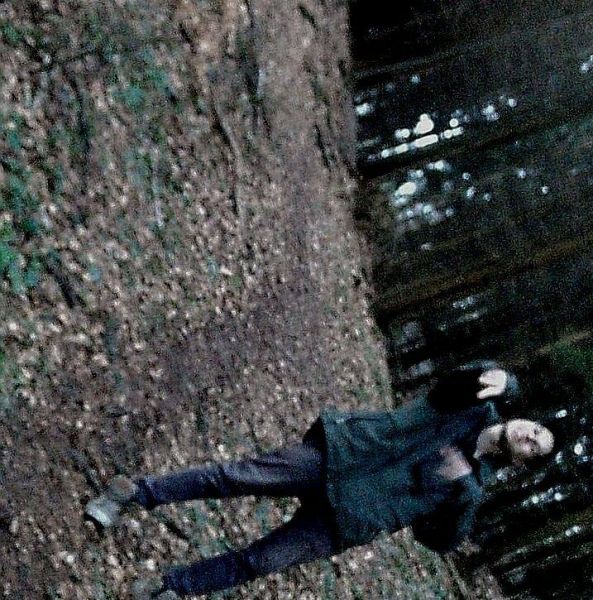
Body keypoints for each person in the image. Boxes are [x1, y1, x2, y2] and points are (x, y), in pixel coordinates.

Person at [85, 360, 554, 599]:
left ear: (522, 462)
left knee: (259, 561)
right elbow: (457, 384)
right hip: (341, 457)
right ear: (524, 419)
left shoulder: (471, 488)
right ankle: (133, 495)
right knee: (233, 478)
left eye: (535, 446)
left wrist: (462, 495)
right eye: (535, 429)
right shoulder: (473, 407)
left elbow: (439, 540)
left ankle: (172, 587)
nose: (529, 436)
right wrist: (504, 379)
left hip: (347, 520)